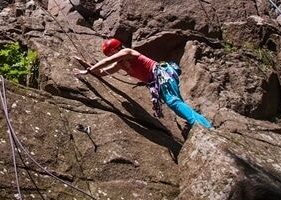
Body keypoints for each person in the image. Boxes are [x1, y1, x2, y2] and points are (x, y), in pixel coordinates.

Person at [74, 38, 213, 135]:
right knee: (176, 102)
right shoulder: (120, 64)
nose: (113, 56)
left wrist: (87, 71)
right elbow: (103, 72)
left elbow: (107, 61)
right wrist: (88, 67)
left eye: (112, 52)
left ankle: (199, 125)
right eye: (110, 54)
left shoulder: (127, 52)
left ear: (117, 48)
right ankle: (205, 125)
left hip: (161, 75)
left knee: (173, 102)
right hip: (159, 79)